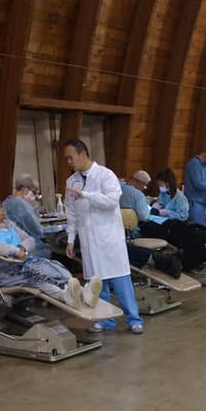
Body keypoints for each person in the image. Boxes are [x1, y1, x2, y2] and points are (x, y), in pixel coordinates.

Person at [62, 139, 144, 334]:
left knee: (120, 281)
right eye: (66, 159)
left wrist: (86, 195)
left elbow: (111, 201)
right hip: (89, 240)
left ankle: (134, 319)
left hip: (109, 239)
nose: (68, 162)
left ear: (82, 154)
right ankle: (106, 320)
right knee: (98, 284)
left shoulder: (106, 175)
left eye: (70, 157)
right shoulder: (71, 181)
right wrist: (71, 239)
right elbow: (71, 213)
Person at [0, 192, 100, 310]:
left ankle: (84, 293)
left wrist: (22, 248)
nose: (3, 210)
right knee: (36, 278)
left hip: (22, 265)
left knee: (51, 266)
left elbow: (30, 239)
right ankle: (64, 296)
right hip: (2, 274)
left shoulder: (8, 224)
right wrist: (16, 251)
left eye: (1, 206)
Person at [3, 174, 51, 258]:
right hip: (24, 246)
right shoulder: (20, 204)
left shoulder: (7, 201)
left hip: (11, 244)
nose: (35, 196)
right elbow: (38, 231)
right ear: (25, 188)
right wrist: (61, 228)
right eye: (34, 192)